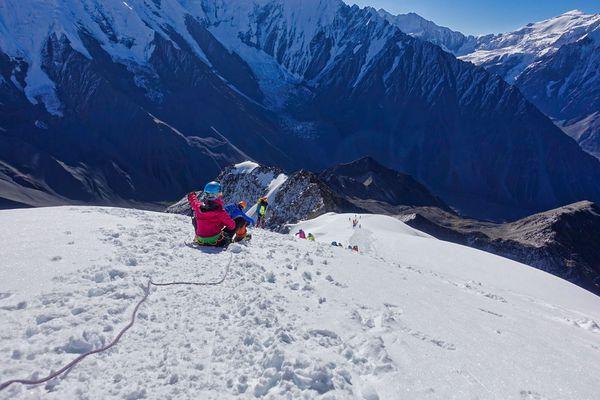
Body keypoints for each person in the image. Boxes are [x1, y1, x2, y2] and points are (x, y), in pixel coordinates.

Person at [188, 181, 236, 247]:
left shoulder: (198, 206)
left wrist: (192, 195)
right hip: (215, 241)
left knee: (195, 219)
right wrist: (222, 223)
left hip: (200, 240)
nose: (221, 195)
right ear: (216, 195)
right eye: (220, 193)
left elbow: (194, 201)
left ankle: (198, 237)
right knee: (237, 222)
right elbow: (232, 226)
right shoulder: (220, 212)